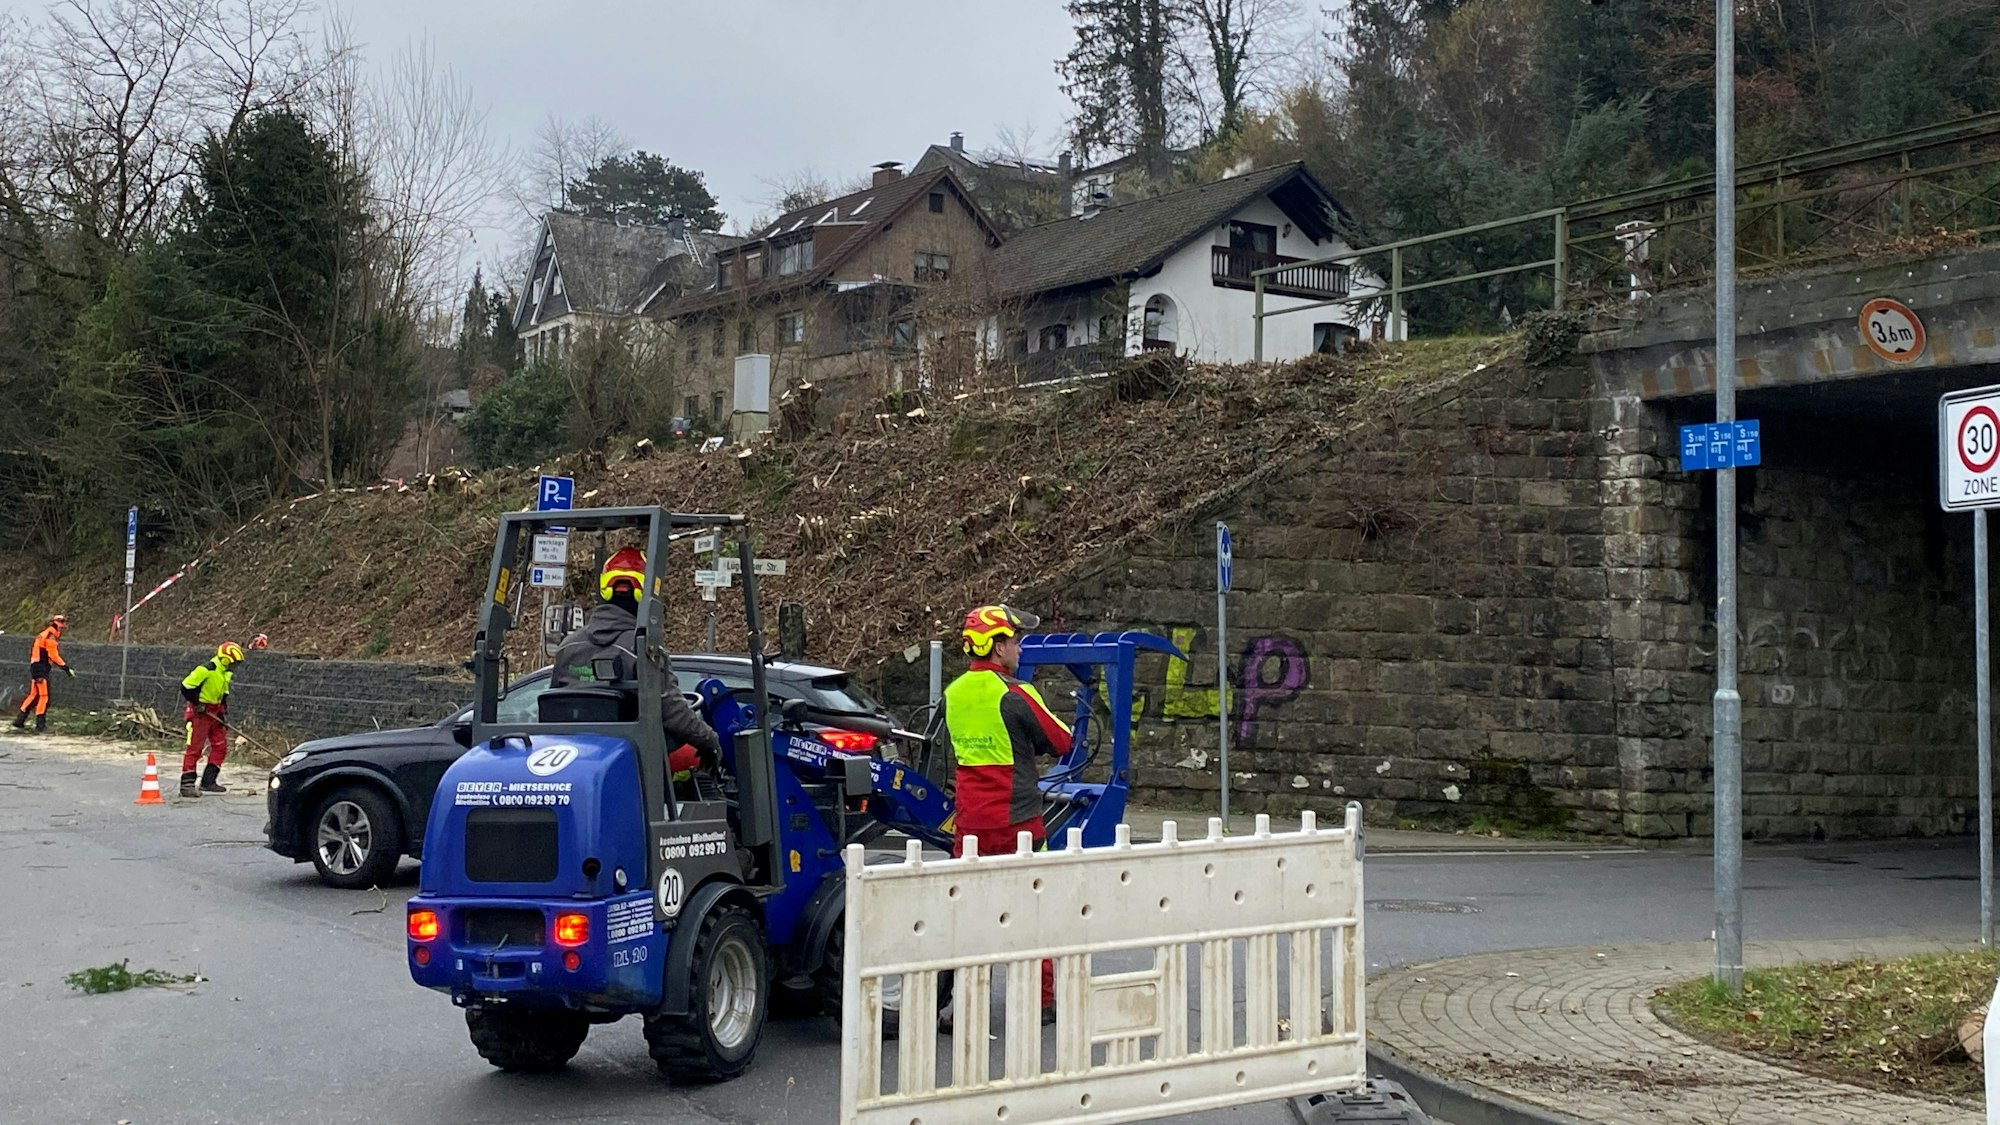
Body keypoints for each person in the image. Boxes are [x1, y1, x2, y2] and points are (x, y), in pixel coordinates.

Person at [941, 603, 1071, 1018]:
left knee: (969, 915)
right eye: (1015, 641)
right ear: (998, 647)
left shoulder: (953, 693)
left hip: (970, 824)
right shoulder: (1015, 694)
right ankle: (1040, 1000)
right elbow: (1061, 741)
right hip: (1018, 823)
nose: (1019, 648)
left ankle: (965, 1003)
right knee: (1033, 910)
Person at [549, 546, 722, 777]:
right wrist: (710, 741)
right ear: (646, 592)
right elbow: (673, 714)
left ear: (605, 587)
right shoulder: (643, 650)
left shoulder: (567, 647)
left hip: (571, 765)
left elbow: (555, 705)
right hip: (632, 769)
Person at [180, 642, 245, 797]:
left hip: (215, 712)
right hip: (200, 713)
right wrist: (197, 703)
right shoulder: (205, 670)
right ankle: (187, 784)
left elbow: (223, 695)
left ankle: (208, 781)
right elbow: (186, 686)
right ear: (225, 659)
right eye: (233, 663)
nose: (234, 667)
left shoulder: (225, 674)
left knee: (220, 746)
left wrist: (222, 713)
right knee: (195, 748)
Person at [14, 614, 72, 732]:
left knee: (34, 696)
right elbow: (53, 655)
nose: (63, 628)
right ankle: (40, 725)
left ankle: (19, 720)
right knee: (44, 697)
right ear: (56, 624)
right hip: (41, 669)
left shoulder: (44, 634)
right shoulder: (50, 636)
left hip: (36, 668)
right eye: (61, 625)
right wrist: (65, 667)